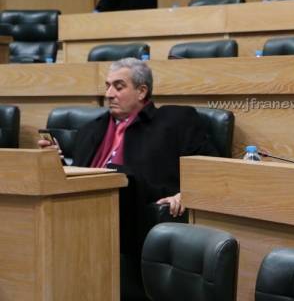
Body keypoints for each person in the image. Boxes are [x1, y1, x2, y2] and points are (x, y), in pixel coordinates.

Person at [39, 58, 217, 300]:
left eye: (119, 86)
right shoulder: (91, 129)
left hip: (135, 212)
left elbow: (211, 167)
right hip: (81, 211)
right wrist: (55, 164)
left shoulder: (175, 120)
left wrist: (185, 194)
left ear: (142, 91)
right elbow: (80, 179)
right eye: (107, 86)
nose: (109, 94)